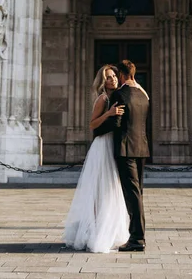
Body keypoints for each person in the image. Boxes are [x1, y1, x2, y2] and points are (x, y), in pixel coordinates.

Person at [64, 65, 129, 253]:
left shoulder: (118, 96)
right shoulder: (103, 98)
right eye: (108, 77)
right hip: (102, 145)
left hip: (113, 144)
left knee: (111, 188)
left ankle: (110, 230)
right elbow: (92, 124)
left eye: (114, 76)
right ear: (103, 81)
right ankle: (95, 231)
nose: (113, 80)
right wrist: (108, 114)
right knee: (100, 188)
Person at [110, 60, 150, 252]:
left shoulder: (120, 93)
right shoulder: (144, 94)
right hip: (142, 147)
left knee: (132, 195)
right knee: (138, 193)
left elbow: (116, 124)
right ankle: (137, 235)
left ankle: (137, 238)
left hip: (125, 149)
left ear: (122, 75)